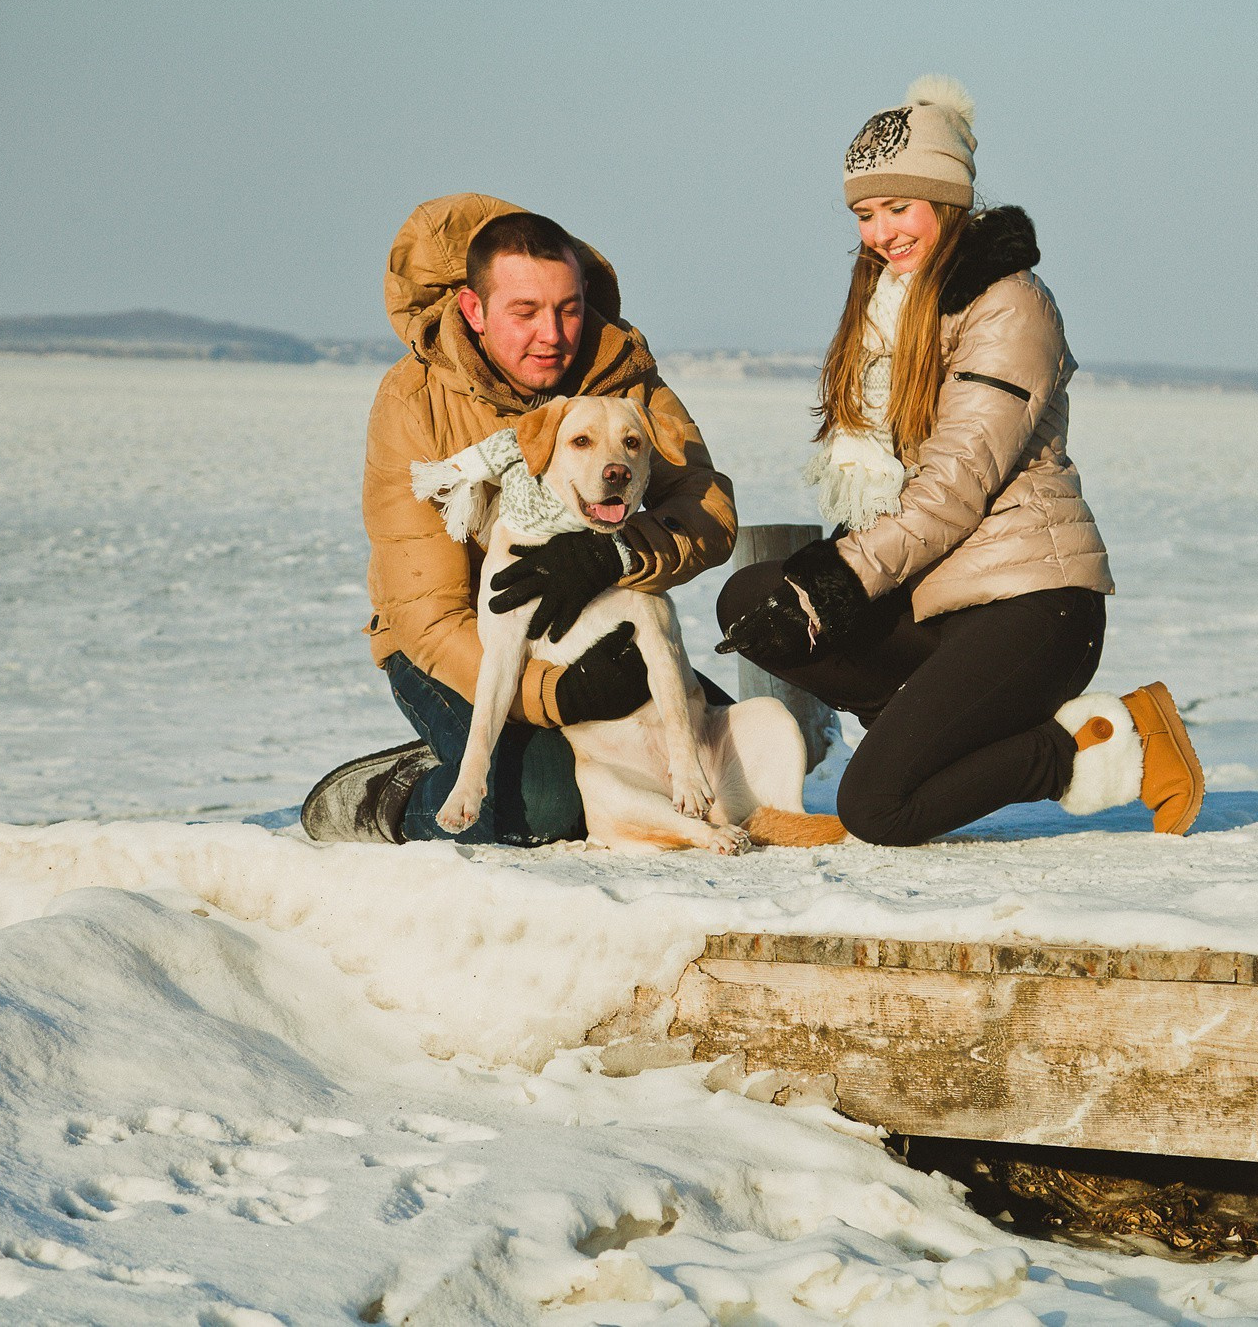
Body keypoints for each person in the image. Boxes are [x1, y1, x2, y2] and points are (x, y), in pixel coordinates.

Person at [716, 77, 1202, 847]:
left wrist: (841, 579)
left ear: (946, 200)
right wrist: (818, 579)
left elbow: (952, 488)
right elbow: (886, 480)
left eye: (897, 208)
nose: (879, 233)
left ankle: (1101, 747)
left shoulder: (1007, 303)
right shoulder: (891, 307)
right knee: (753, 601)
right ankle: (934, 739)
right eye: (864, 214)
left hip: (1034, 605)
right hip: (935, 601)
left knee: (874, 809)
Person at [304, 194, 736, 845]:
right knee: (543, 804)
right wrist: (553, 695)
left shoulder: (621, 374)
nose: (554, 334)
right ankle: (389, 798)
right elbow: (430, 615)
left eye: (567, 309)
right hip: (455, 646)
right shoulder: (414, 401)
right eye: (525, 312)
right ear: (474, 310)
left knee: (732, 766)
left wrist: (615, 556)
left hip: (588, 625)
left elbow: (706, 509)